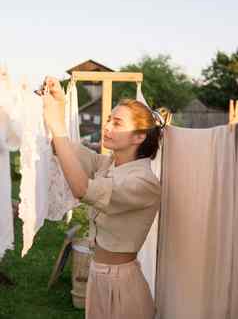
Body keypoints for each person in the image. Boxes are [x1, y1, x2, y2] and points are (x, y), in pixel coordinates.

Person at [42, 77, 162, 319]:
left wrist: (57, 127)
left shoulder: (143, 183)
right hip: (98, 274)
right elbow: (62, 148)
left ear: (139, 136)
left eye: (117, 123)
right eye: (108, 120)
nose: (107, 127)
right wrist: (59, 106)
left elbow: (82, 189)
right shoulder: (107, 164)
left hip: (123, 284)